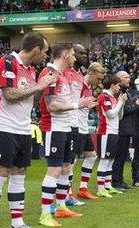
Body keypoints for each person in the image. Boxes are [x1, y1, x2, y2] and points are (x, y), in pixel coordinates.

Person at [0, 33, 54, 228]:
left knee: (19, 173)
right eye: (45, 52)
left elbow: (31, 99)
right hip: (4, 126)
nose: (46, 57)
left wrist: (44, 87)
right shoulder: (7, 62)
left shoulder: (31, 69)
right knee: (0, 174)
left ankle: (17, 222)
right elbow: (10, 94)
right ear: (36, 49)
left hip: (23, 129)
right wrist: (39, 85)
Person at [37, 43, 96, 227]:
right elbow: (51, 106)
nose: (74, 58)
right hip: (54, 128)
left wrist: (81, 103)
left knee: (66, 167)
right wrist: (78, 105)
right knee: (54, 170)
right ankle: (45, 214)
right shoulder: (50, 74)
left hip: (67, 127)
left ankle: (61, 207)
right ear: (63, 55)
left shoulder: (62, 75)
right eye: (71, 54)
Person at [67, 46, 105, 204]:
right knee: (71, 161)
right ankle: (67, 193)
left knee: (91, 156)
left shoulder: (89, 87)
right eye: (98, 78)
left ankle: (82, 189)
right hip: (74, 126)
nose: (100, 82)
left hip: (84, 127)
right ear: (90, 73)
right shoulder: (79, 83)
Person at [94, 74, 128, 198]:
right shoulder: (104, 96)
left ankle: (107, 186)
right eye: (118, 85)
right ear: (113, 85)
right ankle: (100, 188)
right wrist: (120, 102)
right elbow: (111, 114)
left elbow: (119, 116)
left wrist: (122, 104)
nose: (120, 88)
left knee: (110, 160)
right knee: (104, 160)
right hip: (105, 132)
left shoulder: (113, 98)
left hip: (113, 131)